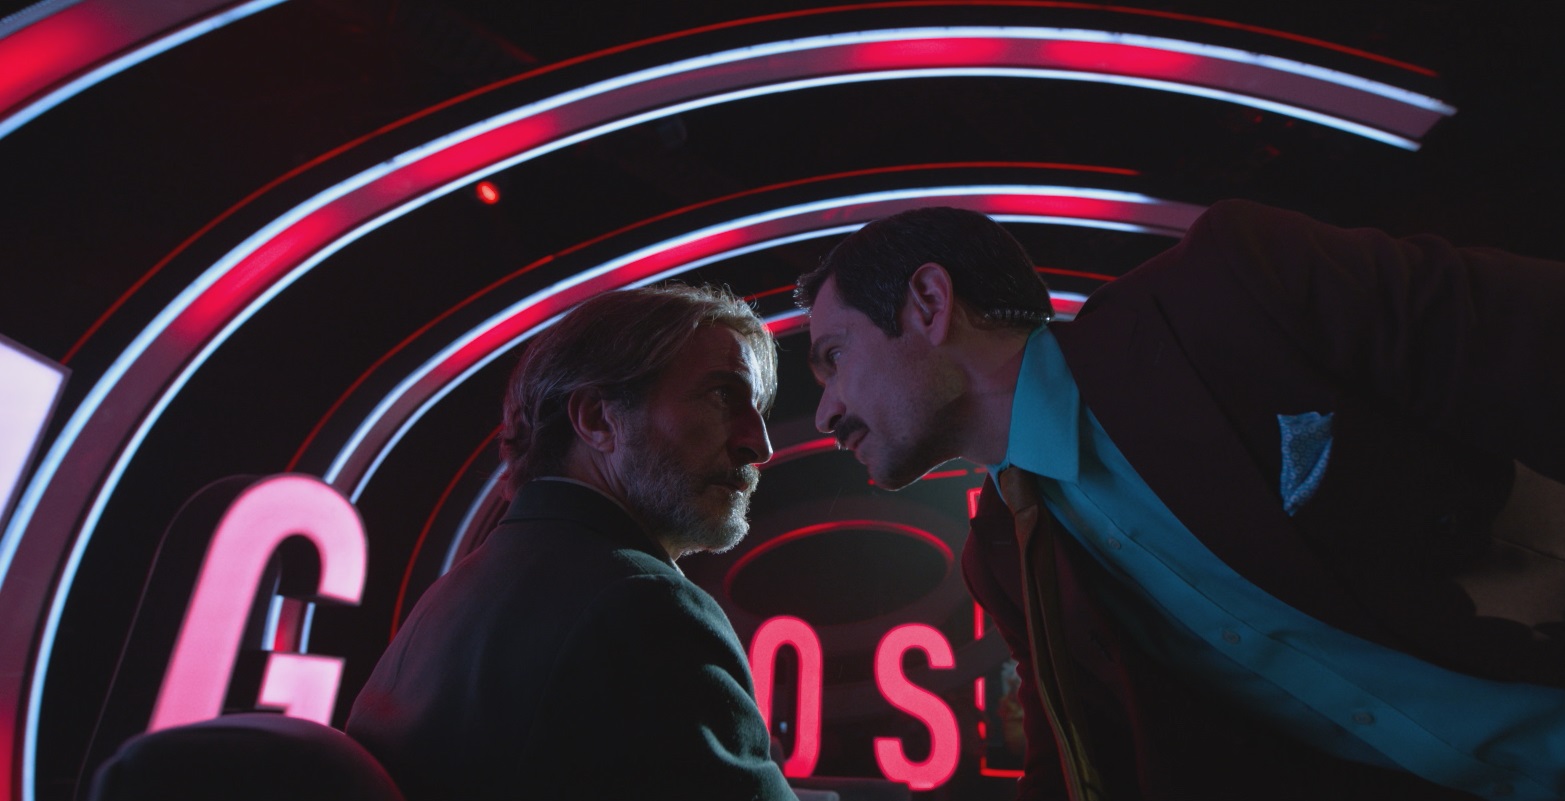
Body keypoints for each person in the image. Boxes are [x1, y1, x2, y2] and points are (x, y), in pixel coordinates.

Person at [794, 200, 1565, 801]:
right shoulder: (1002, 558)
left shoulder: (1228, 290)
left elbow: (1532, 332)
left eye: (833, 356)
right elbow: (1078, 764)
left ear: (929, 302)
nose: (826, 413)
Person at [346, 284, 797, 801]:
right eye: (722, 395)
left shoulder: (453, 595)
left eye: (756, 408)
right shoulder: (645, 604)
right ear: (597, 419)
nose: (759, 444)